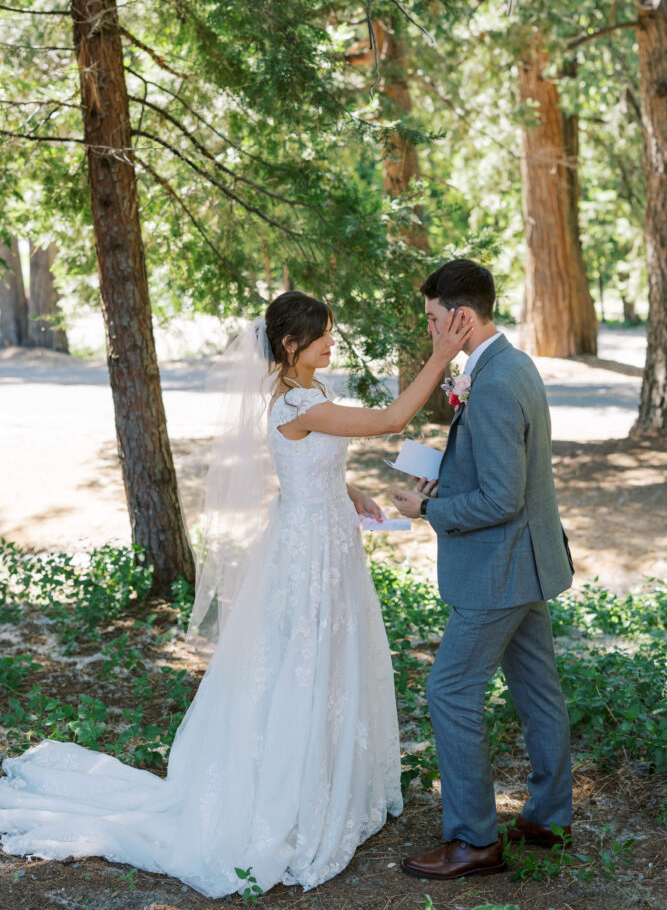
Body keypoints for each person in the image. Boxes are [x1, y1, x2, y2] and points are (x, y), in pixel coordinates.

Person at [0, 290, 473, 898]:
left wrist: (347, 488)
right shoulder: (296, 401)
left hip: (330, 537)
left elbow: (313, 457)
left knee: (329, 659)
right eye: (323, 335)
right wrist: (439, 357)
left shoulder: (312, 394)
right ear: (289, 346)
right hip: (307, 554)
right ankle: (294, 791)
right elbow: (388, 421)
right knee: (304, 660)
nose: (333, 343)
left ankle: (329, 777)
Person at [389, 259, 573, 881]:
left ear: (463, 317)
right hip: (528, 563)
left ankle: (474, 840)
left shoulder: (491, 383)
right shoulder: (510, 364)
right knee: (537, 690)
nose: (433, 332)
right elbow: (503, 470)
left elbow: (502, 498)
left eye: (436, 321)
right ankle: (548, 817)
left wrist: (428, 507)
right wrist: (445, 471)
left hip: (499, 570)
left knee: (449, 691)